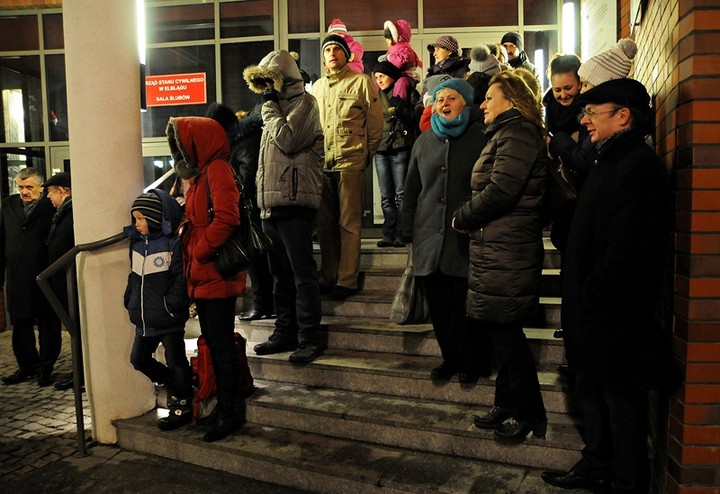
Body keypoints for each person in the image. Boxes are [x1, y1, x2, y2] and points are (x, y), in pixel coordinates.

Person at [541, 78, 677, 494]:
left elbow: (628, 251)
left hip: (614, 316)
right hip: (594, 311)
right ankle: (597, 463)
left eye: (592, 113)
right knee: (594, 393)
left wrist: (590, 296)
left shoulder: (638, 166)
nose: (584, 121)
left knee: (620, 403)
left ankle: (625, 481)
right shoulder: (611, 159)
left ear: (623, 116)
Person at [453, 71, 547, 443]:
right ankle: (506, 404)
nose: (483, 105)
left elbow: (502, 190)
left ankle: (530, 413)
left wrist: (463, 215)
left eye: (489, 98)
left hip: (508, 249)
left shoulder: (519, 133)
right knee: (503, 330)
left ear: (510, 99)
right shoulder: (506, 133)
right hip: (498, 246)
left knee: (506, 333)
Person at [401, 78, 492, 385]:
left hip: (465, 237)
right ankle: (450, 357)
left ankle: (473, 360)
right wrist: (406, 227)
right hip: (429, 236)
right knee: (440, 308)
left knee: (464, 305)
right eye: (440, 99)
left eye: (452, 98)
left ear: (466, 103)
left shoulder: (481, 137)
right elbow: (412, 188)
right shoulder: (423, 141)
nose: (444, 104)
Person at [167, 115, 247, 442]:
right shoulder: (202, 174)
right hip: (203, 272)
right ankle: (224, 405)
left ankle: (231, 411)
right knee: (215, 343)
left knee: (221, 344)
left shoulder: (217, 170)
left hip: (214, 269)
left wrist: (201, 249)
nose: (181, 151)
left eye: (184, 143)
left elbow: (228, 217)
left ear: (198, 141)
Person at [243, 49, 325, 364]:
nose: (266, 89)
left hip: (295, 204)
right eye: (261, 83)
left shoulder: (306, 104)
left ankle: (309, 337)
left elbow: (288, 140)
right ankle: (285, 331)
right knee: (280, 274)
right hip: (271, 206)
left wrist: (269, 110)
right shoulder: (273, 108)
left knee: (302, 274)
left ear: (284, 79)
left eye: (270, 81)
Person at [313, 34, 383, 300]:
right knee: (325, 224)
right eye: (328, 50)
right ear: (323, 57)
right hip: (323, 164)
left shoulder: (361, 83)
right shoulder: (317, 88)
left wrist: (365, 155)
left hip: (350, 161)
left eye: (337, 49)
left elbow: (375, 126)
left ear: (346, 55)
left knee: (349, 224)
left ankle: (346, 280)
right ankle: (327, 276)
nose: (332, 54)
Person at [123, 189, 193, 431]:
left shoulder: (172, 244)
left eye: (141, 218)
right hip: (144, 318)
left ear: (154, 218)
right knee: (138, 359)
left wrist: (171, 305)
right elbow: (133, 278)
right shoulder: (136, 245)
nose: (136, 224)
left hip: (168, 318)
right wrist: (129, 299)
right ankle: (177, 383)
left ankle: (182, 405)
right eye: (135, 219)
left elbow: (180, 280)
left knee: (176, 360)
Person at [0, 168, 61, 387]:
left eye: (29, 187)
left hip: (43, 275)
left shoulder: (50, 205)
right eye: (20, 187)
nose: (24, 192)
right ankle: (26, 366)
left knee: (47, 324)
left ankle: (46, 367)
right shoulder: (9, 204)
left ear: (40, 188)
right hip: (16, 275)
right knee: (21, 324)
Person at [232, 107, 275, 321]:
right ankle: (265, 303)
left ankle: (262, 304)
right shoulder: (247, 140)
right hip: (256, 205)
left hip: (251, 208)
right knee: (260, 259)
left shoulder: (245, 142)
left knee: (257, 259)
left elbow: (247, 178)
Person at [373, 60, 420, 248]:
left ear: (392, 76)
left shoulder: (405, 90)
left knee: (401, 193)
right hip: (381, 149)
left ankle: (402, 232)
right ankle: (388, 233)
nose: (379, 80)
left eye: (382, 76)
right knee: (386, 195)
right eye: (376, 77)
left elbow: (416, 115)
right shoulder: (375, 95)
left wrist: (400, 107)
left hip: (400, 147)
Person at [42, 172, 80, 391]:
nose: (48, 197)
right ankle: (78, 370)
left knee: (77, 327)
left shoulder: (72, 212)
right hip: (62, 280)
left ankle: (80, 373)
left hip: (71, 281)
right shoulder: (63, 212)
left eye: (50, 192)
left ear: (62, 191)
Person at [381, 19, 422, 100]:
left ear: (394, 37)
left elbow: (401, 61)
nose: (386, 41)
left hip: (405, 77)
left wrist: (388, 57)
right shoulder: (394, 49)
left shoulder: (405, 49)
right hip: (397, 76)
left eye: (388, 38)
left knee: (401, 84)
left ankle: (398, 103)